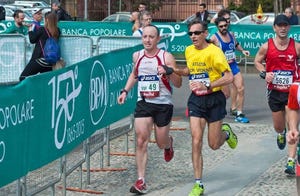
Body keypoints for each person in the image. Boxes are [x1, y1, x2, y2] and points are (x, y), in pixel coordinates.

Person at [164, 20, 237, 196]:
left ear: (205, 33)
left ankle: (225, 133)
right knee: (196, 140)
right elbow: (191, 70)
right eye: (190, 34)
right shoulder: (189, 51)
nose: (193, 37)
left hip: (214, 98)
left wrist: (209, 86)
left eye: (197, 33)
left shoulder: (215, 52)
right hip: (196, 100)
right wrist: (175, 71)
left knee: (213, 144)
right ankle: (198, 183)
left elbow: (229, 77)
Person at [118, 25, 182, 194]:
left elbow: (178, 83)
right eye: (145, 36)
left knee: (161, 143)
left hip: (163, 104)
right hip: (144, 102)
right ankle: (141, 180)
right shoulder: (137, 56)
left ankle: (169, 143)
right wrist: (125, 91)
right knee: (141, 140)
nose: (147, 40)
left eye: (151, 37)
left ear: (158, 39)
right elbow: (134, 74)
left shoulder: (166, 57)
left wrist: (169, 71)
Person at [254, 14, 300, 175]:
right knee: (279, 126)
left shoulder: (296, 46)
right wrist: (264, 73)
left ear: (289, 27)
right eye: (279, 25)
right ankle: (280, 134)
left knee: (293, 126)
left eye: (285, 25)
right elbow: (257, 61)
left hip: (292, 92)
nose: (282, 28)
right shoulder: (267, 46)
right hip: (274, 91)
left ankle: (291, 161)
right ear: (274, 28)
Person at [210, 17, 250, 123]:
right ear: (217, 27)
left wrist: (243, 51)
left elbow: (236, 44)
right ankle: (209, 108)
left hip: (233, 66)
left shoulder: (231, 34)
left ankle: (239, 114)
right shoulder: (214, 38)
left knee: (240, 88)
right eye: (221, 26)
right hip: (222, 69)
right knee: (225, 94)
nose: (224, 28)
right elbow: (206, 49)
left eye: (225, 25)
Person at [19, 12, 61, 81]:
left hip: (39, 60)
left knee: (23, 77)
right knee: (45, 81)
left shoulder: (42, 29)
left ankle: (29, 91)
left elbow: (32, 40)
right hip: (50, 62)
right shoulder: (58, 31)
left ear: (47, 20)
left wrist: (30, 30)